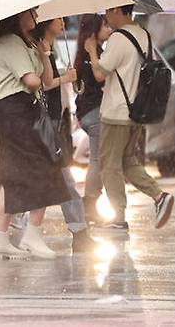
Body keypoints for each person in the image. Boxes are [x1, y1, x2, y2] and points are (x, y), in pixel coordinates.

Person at [0, 9, 70, 260]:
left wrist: (44, 54)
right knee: (44, 166)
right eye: (31, 13)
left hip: (25, 110)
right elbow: (31, 81)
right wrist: (39, 59)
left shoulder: (27, 42)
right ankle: (31, 234)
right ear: (17, 16)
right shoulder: (9, 42)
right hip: (14, 111)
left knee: (12, 175)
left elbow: (45, 80)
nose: (36, 17)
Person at [84, 4, 174, 231]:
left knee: (108, 165)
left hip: (116, 112)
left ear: (117, 10)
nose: (105, 16)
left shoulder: (118, 38)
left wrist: (92, 50)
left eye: (107, 11)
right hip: (137, 111)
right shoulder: (144, 34)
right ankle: (159, 196)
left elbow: (99, 74)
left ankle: (118, 218)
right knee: (127, 162)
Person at [33, 18, 98, 253]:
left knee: (41, 179)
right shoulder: (40, 47)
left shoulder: (49, 48)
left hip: (53, 121)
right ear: (46, 22)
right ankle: (79, 232)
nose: (62, 22)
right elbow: (43, 83)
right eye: (58, 19)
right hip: (44, 123)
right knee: (63, 179)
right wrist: (66, 78)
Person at [73, 14, 112, 224]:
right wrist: (93, 52)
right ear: (94, 30)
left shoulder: (83, 53)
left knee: (99, 160)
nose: (109, 29)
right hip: (94, 113)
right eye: (105, 26)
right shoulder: (92, 52)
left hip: (86, 112)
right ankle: (89, 205)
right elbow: (100, 76)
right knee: (97, 160)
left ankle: (91, 204)